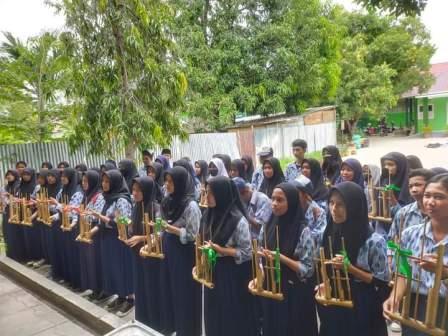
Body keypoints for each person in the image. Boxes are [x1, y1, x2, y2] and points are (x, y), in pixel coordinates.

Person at [317, 181, 390, 336]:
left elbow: (381, 282)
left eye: (341, 205)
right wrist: (325, 282)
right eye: (331, 203)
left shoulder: (373, 241)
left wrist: (350, 269)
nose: (334, 209)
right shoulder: (329, 232)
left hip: (362, 306)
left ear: (354, 207)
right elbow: (325, 266)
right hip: (334, 300)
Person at [383, 174, 448, 335]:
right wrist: (395, 297)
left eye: (439, 197)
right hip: (414, 306)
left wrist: (444, 273)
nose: (430, 202)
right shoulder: (410, 234)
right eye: (427, 195)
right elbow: (403, 273)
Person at [260, 182, 318, 336]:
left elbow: (308, 269)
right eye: (273, 199)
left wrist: (282, 259)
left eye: (280, 200)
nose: (274, 204)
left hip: (294, 295)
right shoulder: (267, 226)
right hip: (272, 290)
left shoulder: (303, 231)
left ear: (291, 202)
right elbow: (261, 255)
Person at [201, 176, 256, 336]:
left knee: (229, 316)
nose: (207, 197)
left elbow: (247, 252)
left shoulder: (238, 220)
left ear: (221, 194)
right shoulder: (208, 215)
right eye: (206, 192)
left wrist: (222, 250)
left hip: (231, 275)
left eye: (210, 193)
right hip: (212, 270)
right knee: (213, 314)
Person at [160, 167, 202, 336]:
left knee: (184, 291)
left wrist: (171, 229)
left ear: (180, 183)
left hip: (184, 253)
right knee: (170, 287)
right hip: (170, 248)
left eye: (171, 181)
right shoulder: (168, 200)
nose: (167, 184)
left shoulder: (191, 205)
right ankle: (174, 326)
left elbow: (193, 235)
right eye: (166, 181)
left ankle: (188, 329)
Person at [90, 170, 134, 314]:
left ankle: (130, 299)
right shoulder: (105, 197)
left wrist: (104, 219)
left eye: (108, 181)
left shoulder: (121, 199)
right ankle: (120, 296)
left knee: (123, 268)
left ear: (115, 182)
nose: (104, 184)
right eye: (103, 181)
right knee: (113, 268)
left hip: (119, 238)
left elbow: (124, 222)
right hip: (107, 237)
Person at [125, 176, 164, 329]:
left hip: (151, 256)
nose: (134, 193)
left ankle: (155, 324)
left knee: (152, 289)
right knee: (140, 288)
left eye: (138, 190)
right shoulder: (136, 206)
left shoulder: (156, 208)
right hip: (136, 255)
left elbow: (160, 232)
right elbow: (132, 226)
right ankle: (142, 322)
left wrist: (141, 238)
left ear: (147, 190)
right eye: (133, 190)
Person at [53, 168, 84, 289]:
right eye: (62, 176)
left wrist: (59, 205)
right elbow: (59, 209)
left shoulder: (77, 192)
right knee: (65, 252)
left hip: (73, 226)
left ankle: (77, 282)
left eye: (65, 176)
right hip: (62, 224)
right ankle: (68, 278)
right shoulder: (62, 190)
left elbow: (72, 212)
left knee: (74, 254)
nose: (62, 178)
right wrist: (58, 211)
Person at [78, 170, 105, 301]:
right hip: (87, 231)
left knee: (96, 263)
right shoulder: (87, 195)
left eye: (86, 181)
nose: (83, 184)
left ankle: (100, 290)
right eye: (82, 181)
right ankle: (94, 288)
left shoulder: (99, 196)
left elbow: (97, 216)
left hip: (95, 233)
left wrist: (84, 214)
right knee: (90, 262)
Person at [388, 169, 434, 241]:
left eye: (418, 185)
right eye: (410, 186)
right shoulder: (403, 213)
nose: (413, 190)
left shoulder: (440, 214)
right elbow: (391, 240)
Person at [292, 175, 327, 250]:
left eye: (296, 193)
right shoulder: (291, 208)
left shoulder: (318, 213)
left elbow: (319, 237)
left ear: (305, 195)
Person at [19, 168, 42, 264]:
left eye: (28, 174)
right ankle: (30, 257)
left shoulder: (36, 187)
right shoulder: (20, 186)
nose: (25, 176)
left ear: (32, 175)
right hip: (23, 213)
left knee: (35, 237)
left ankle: (38, 257)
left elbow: (37, 201)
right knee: (27, 237)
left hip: (36, 214)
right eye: (24, 174)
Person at [4, 169, 25, 261]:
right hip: (7, 211)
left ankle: (19, 255)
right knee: (8, 233)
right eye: (7, 175)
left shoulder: (19, 185)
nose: (9, 176)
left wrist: (10, 197)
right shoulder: (6, 187)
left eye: (11, 174)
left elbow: (20, 198)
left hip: (17, 212)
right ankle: (11, 254)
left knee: (16, 233)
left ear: (15, 175)